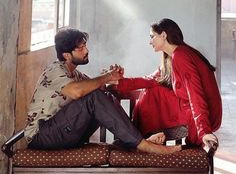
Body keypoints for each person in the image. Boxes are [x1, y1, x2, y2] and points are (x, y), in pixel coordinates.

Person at [24, 27, 181, 154]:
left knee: (104, 95)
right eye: (80, 48)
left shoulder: (75, 73)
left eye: (85, 45)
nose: (86, 50)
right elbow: (77, 92)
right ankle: (143, 145)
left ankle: (136, 141)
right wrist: (106, 77)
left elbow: (99, 88)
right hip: (42, 136)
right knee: (93, 98)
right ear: (67, 55)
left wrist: (114, 77)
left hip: (62, 134)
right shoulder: (55, 70)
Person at [115, 18, 222, 147]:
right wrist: (118, 82)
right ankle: (142, 139)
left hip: (206, 114)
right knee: (152, 89)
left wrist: (203, 131)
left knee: (152, 93)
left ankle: (141, 140)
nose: (150, 42)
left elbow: (195, 95)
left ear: (164, 35)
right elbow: (151, 79)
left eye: (152, 36)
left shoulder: (181, 56)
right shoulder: (173, 56)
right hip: (189, 106)